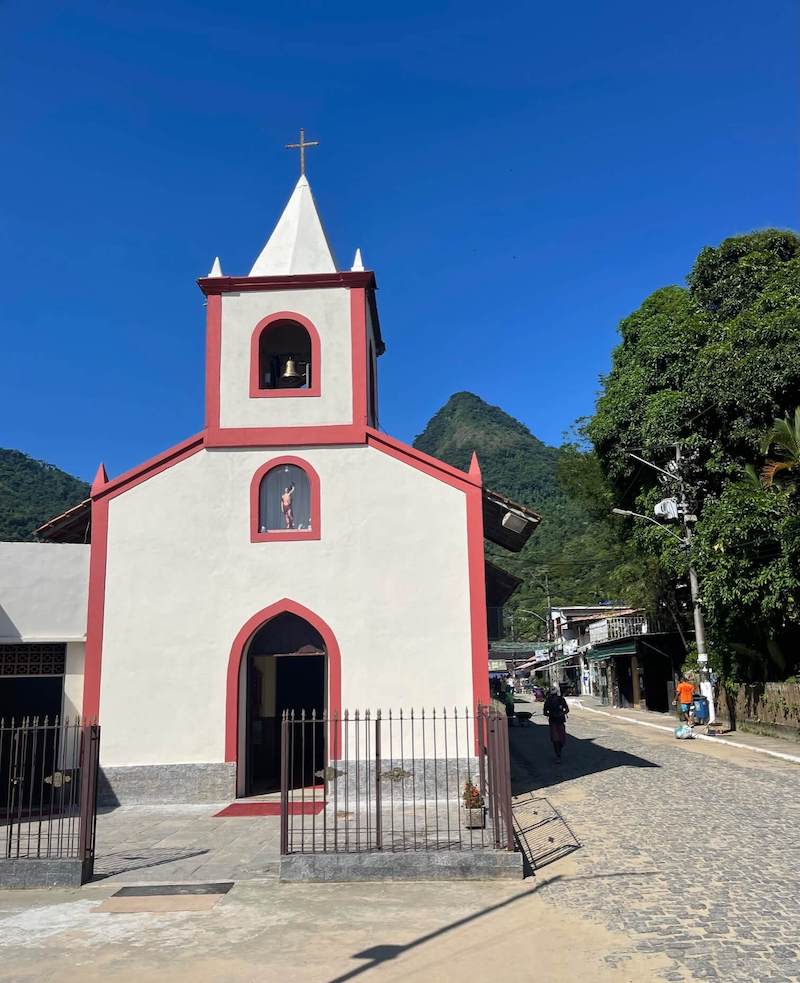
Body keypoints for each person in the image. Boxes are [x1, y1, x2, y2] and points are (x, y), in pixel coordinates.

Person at [543, 687, 569, 760]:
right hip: (553, 721)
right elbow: (545, 712)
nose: (554, 696)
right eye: (552, 695)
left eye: (555, 695)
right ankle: (558, 754)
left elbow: (567, 709)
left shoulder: (561, 700)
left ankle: (559, 751)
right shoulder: (548, 701)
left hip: (560, 721)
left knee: (562, 740)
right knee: (555, 739)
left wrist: (561, 713)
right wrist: (551, 714)